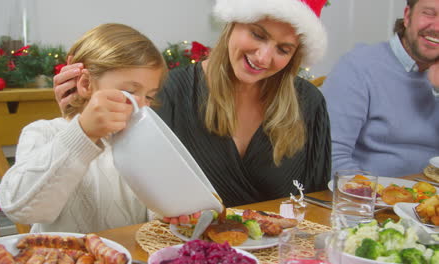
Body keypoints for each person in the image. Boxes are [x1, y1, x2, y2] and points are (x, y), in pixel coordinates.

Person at [54, 0, 332, 209]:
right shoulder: (170, 91)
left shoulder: (308, 103)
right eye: (257, 35)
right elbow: (119, 173)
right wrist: (78, 109)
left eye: (283, 49)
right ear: (232, 23)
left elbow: (316, 202)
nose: (263, 57)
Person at [0, 23, 176, 233]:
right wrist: (83, 133)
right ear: (86, 84)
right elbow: (21, 209)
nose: (141, 106)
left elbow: (156, 215)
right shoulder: (43, 133)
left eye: (149, 96)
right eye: (129, 91)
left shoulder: (142, 145)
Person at [321, 0, 439, 178]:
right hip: (373, 199)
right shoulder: (358, 66)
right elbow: (330, 155)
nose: (437, 27)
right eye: (429, 13)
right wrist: (373, 196)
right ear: (407, 16)